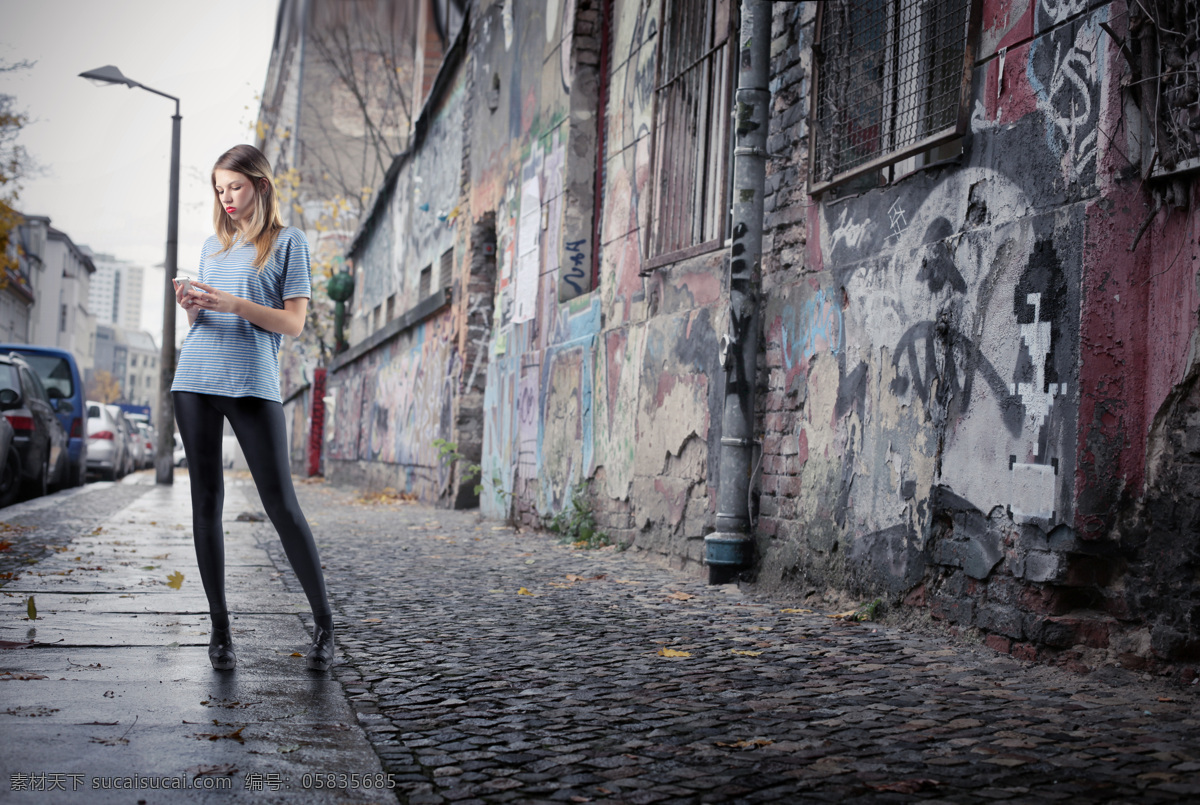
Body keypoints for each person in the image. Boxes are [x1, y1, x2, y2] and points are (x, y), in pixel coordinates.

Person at [171, 143, 334, 672]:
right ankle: (219, 629)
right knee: (205, 503)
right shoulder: (210, 248)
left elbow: (293, 324)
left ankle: (325, 624)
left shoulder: (289, 243)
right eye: (219, 190)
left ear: (260, 185)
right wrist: (193, 306)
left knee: (282, 505)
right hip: (194, 378)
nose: (226, 199)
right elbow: (205, 325)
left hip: (252, 384)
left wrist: (236, 303)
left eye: (234, 187)